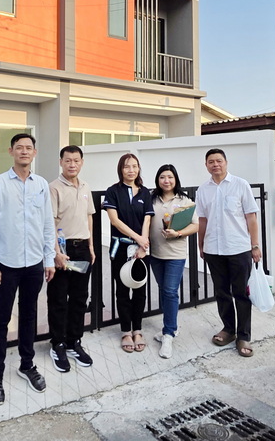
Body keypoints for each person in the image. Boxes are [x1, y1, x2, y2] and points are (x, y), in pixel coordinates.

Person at [0, 133, 56, 405]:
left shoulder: (41, 185)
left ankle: (27, 365)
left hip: (34, 263)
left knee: (29, 315)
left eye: (29, 148)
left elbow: (47, 224)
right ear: (11, 151)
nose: (24, 151)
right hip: (7, 264)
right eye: (19, 147)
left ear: (34, 153)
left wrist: (49, 259)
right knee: (1, 319)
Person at [196, 148, 261, 358]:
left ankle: (244, 336)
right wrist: (201, 244)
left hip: (238, 248)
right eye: (211, 162)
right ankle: (228, 330)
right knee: (222, 292)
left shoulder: (240, 185)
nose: (215, 165)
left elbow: (251, 217)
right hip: (213, 249)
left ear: (226, 162)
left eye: (219, 161)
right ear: (206, 165)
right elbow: (202, 220)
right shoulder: (202, 190)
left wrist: (255, 245)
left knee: (241, 293)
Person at [46, 145, 97, 372]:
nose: (72, 164)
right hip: (63, 250)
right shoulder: (53, 188)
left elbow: (89, 217)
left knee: (79, 297)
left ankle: (74, 341)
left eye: (76, 160)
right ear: (61, 162)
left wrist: (91, 246)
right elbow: (49, 222)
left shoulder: (85, 186)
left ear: (82, 162)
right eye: (68, 160)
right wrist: (56, 253)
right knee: (58, 298)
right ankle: (57, 343)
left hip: (82, 249)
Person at [103, 153, 154, 353]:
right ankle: (126, 331)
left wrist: (143, 244)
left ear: (139, 168)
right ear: (121, 169)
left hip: (142, 249)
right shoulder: (113, 191)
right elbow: (115, 221)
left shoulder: (145, 192)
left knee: (140, 289)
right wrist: (138, 238)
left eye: (134, 166)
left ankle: (137, 330)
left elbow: (148, 219)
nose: (131, 170)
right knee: (122, 290)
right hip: (121, 247)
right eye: (126, 166)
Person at [149, 164, 198, 359]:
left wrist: (177, 233)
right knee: (164, 290)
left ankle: (168, 333)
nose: (166, 181)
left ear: (175, 179)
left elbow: (195, 225)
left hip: (176, 254)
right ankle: (171, 327)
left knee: (170, 291)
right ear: (158, 180)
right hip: (155, 253)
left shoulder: (184, 200)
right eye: (162, 177)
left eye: (170, 177)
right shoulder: (151, 199)